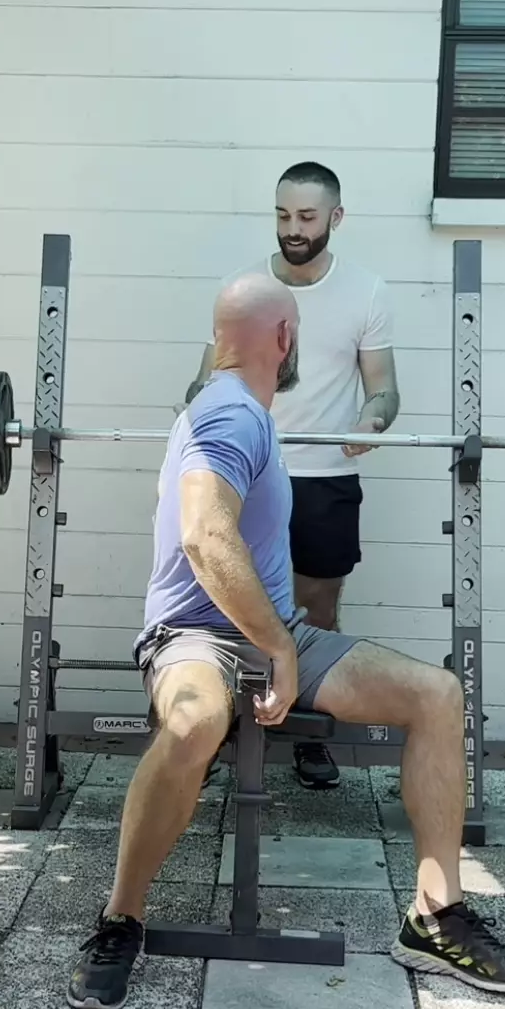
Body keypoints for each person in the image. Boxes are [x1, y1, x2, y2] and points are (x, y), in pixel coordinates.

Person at [67, 273, 505, 1009]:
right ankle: (120, 919)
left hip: (273, 628)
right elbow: (204, 536)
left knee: (436, 694)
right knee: (193, 722)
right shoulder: (229, 414)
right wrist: (280, 651)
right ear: (286, 338)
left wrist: (282, 641)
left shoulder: (245, 410)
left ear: (220, 339)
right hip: (194, 633)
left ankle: (435, 917)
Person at [183, 161, 398, 790]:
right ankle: (216, 727)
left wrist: (371, 421)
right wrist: (197, 407)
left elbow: (384, 389)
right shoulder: (242, 289)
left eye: (306, 216)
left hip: (323, 473)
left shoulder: (367, 292)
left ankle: (306, 731)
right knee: (226, 597)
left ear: (336, 217)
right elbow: (207, 377)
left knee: (317, 606)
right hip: (248, 470)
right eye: (283, 215)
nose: (292, 228)